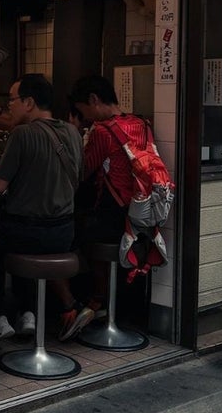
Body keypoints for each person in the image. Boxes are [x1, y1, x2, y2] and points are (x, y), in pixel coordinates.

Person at [0, 72, 84, 343]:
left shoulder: (22, 134)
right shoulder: (72, 132)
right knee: (20, 237)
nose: (9, 105)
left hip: (27, 233)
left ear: (29, 102)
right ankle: (28, 314)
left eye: (12, 99)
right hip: (64, 234)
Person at [67, 73, 157, 327]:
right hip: (142, 214)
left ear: (93, 99)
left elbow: (82, 172)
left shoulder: (102, 131)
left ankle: (97, 299)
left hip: (113, 219)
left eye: (83, 110)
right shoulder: (142, 123)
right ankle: (107, 300)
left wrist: (75, 134)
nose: (84, 117)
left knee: (68, 231)